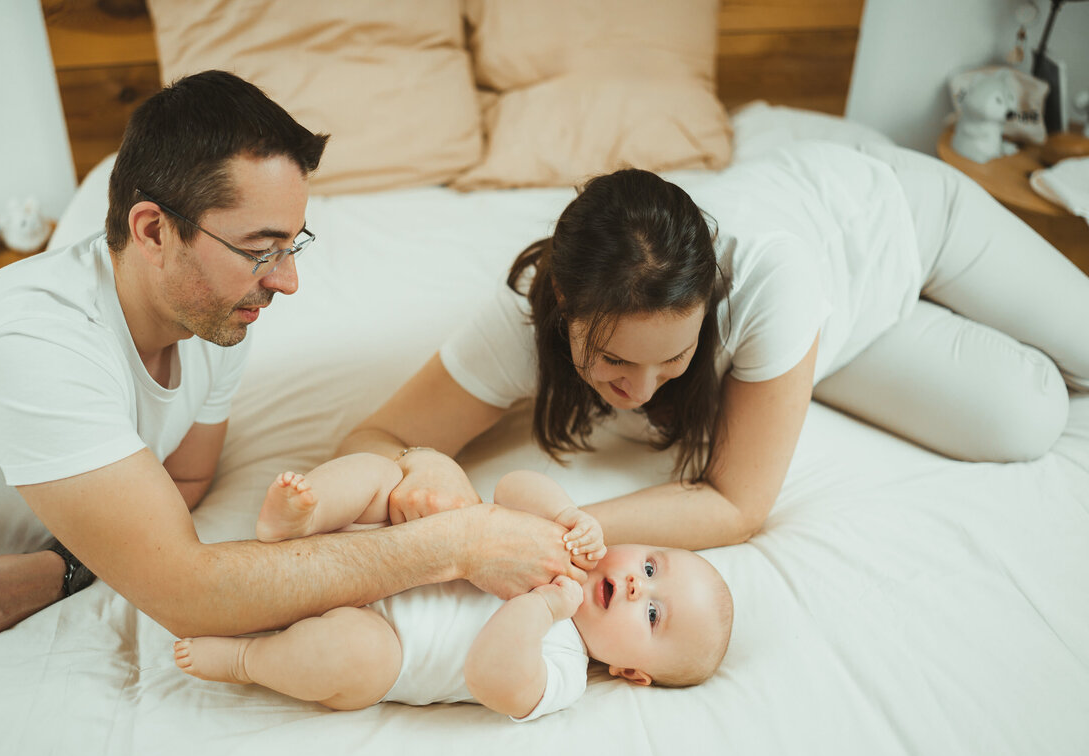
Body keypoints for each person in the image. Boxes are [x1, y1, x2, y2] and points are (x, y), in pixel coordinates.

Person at [0, 71, 579, 688]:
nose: (287, 280)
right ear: (153, 231)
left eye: (293, 244)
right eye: (260, 250)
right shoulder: (36, 349)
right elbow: (189, 594)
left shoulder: (212, 316)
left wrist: (56, 571)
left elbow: (186, 482)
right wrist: (453, 546)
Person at [336, 141, 1089, 550]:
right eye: (616, 364)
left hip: (903, 220)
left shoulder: (770, 278)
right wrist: (416, 480)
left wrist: (552, 527)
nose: (647, 389)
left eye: (676, 357)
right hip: (843, 309)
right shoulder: (520, 322)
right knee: (1026, 417)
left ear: (711, 305)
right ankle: (795, 360)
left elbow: (735, 505)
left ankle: (795, 354)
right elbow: (378, 436)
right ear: (564, 309)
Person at [174, 454, 733, 720]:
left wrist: (541, 608)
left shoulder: (564, 671)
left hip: (384, 638)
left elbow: (490, 678)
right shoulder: (568, 543)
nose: (638, 588)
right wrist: (564, 511)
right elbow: (511, 484)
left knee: (351, 661)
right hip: (379, 539)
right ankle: (298, 521)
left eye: (654, 616)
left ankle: (248, 658)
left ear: (631, 672)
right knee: (384, 477)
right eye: (653, 568)